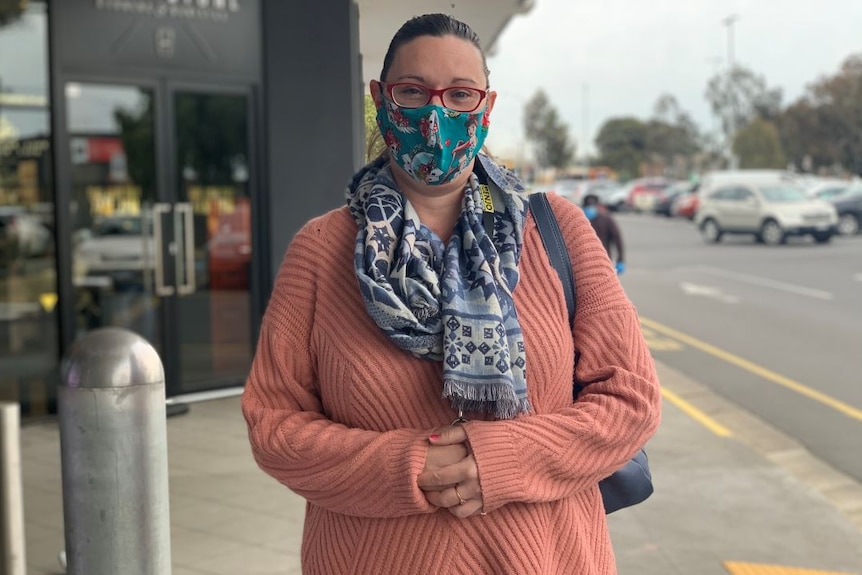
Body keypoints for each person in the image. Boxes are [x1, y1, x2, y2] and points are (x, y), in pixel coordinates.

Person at [242, 13, 660, 575]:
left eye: (460, 95)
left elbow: (630, 399)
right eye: (412, 92)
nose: (436, 114)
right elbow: (275, 425)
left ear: (484, 108)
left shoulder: (557, 230)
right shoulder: (320, 251)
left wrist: (502, 459)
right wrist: (407, 466)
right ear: (380, 100)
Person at [582, 193, 626, 275]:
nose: (589, 209)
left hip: (604, 260)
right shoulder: (578, 221)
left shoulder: (606, 220)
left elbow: (617, 239)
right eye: (588, 206)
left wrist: (620, 260)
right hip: (582, 262)